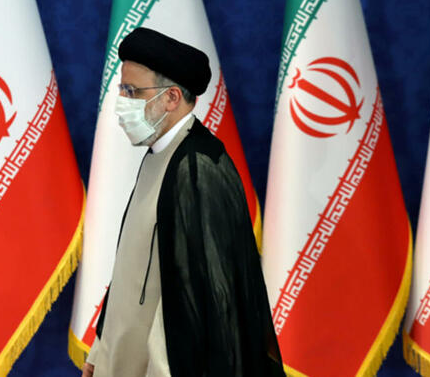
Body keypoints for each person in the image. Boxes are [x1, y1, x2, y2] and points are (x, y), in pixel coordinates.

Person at [83, 27, 284, 377]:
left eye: (132, 91)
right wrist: (100, 354)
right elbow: (131, 269)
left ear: (172, 98)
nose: (121, 101)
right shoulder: (158, 154)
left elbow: (197, 302)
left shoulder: (198, 168)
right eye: (121, 89)